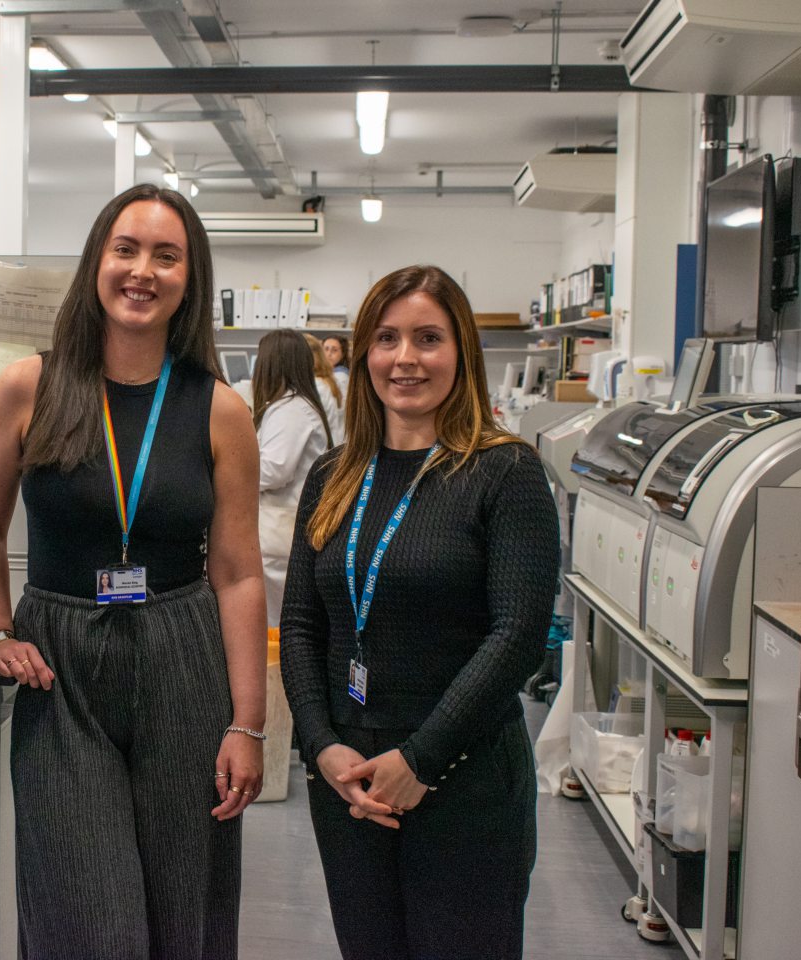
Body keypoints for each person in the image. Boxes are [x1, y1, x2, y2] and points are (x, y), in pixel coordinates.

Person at [0, 183, 268, 960]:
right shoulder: (28, 386)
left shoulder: (219, 409)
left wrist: (248, 723)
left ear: (189, 279)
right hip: (58, 664)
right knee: (92, 928)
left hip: (182, 652)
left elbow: (238, 572)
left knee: (184, 916)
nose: (143, 271)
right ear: (96, 265)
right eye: (126, 250)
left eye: (166, 256)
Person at [279, 264, 559, 960]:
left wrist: (421, 759)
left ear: (462, 351)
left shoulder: (505, 472)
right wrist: (321, 746)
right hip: (349, 779)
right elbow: (303, 624)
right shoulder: (334, 475)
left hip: (461, 779)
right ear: (364, 352)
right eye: (387, 338)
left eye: (428, 338)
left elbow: (517, 635)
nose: (405, 358)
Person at [251, 329, 332, 627]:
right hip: (281, 533)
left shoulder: (291, 410)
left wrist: (229, 469)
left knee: (277, 625)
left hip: (280, 537)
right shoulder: (291, 406)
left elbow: (274, 469)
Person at [304, 333, 345, 442]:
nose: (329, 354)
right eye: (326, 349)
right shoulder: (327, 380)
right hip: (333, 445)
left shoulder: (318, 385)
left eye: (334, 350)